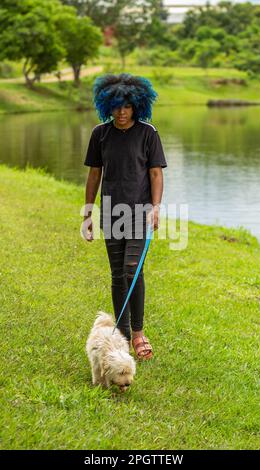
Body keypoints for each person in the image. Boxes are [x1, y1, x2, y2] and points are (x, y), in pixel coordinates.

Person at [82, 73, 167, 360]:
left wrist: (155, 208)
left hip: (140, 213)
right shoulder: (99, 134)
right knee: (118, 275)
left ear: (137, 106)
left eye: (127, 106)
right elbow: (94, 174)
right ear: (108, 106)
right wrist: (87, 211)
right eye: (116, 106)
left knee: (133, 271)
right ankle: (122, 333)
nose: (121, 112)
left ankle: (139, 333)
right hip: (111, 213)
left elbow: (156, 173)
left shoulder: (148, 133)